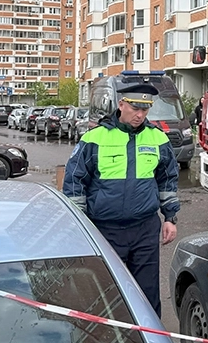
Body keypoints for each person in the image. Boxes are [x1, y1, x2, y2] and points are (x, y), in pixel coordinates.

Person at [63, 83, 180, 317]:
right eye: (135, 108)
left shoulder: (157, 139)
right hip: (105, 229)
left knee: (147, 293)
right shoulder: (94, 138)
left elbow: (167, 180)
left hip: (144, 229)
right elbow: (75, 181)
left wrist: (170, 217)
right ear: (121, 104)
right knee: (104, 291)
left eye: (145, 110)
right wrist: (80, 224)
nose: (139, 115)